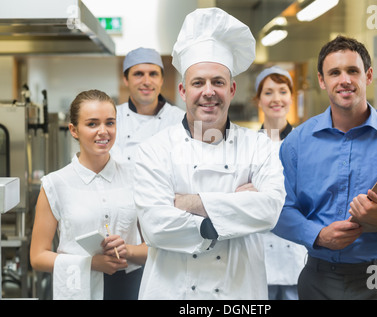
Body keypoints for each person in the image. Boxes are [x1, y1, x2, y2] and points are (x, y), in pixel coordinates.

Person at [272, 35, 377, 300]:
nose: (345, 80)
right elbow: (278, 208)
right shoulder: (297, 142)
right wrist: (317, 234)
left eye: (353, 70)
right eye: (334, 72)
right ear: (322, 80)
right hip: (318, 279)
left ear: (368, 75)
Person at [133, 7, 286, 300]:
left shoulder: (259, 146)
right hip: (171, 293)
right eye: (198, 82)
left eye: (218, 82)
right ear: (182, 90)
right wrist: (237, 207)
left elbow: (269, 211)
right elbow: (155, 226)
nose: (208, 91)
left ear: (231, 89)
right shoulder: (153, 150)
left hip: (239, 296)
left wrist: (189, 203)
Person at [30, 90, 147, 300]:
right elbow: (38, 257)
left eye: (110, 123)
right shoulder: (55, 183)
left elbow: (154, 248)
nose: (103, 131)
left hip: (129, 288)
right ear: (74, 130)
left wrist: (128, 250)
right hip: (76, 289)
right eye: (92, 124)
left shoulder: (135, 178)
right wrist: (91, 263)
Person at [254, 66, 307, 300]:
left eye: (283, 91)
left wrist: (259, 193)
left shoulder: (307, 143)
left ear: (291, 97)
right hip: (259, 251)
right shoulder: (246, 146)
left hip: (294, 250)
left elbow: (310, 195)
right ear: (258, 99)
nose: (276, 99)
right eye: (268, 92)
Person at [110, 47, 185, 170]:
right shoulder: (111, 118)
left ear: (161, 80)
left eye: (153, 74)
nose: (147, 81)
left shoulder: (180, 120)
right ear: (126, 80)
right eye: (138, 74)